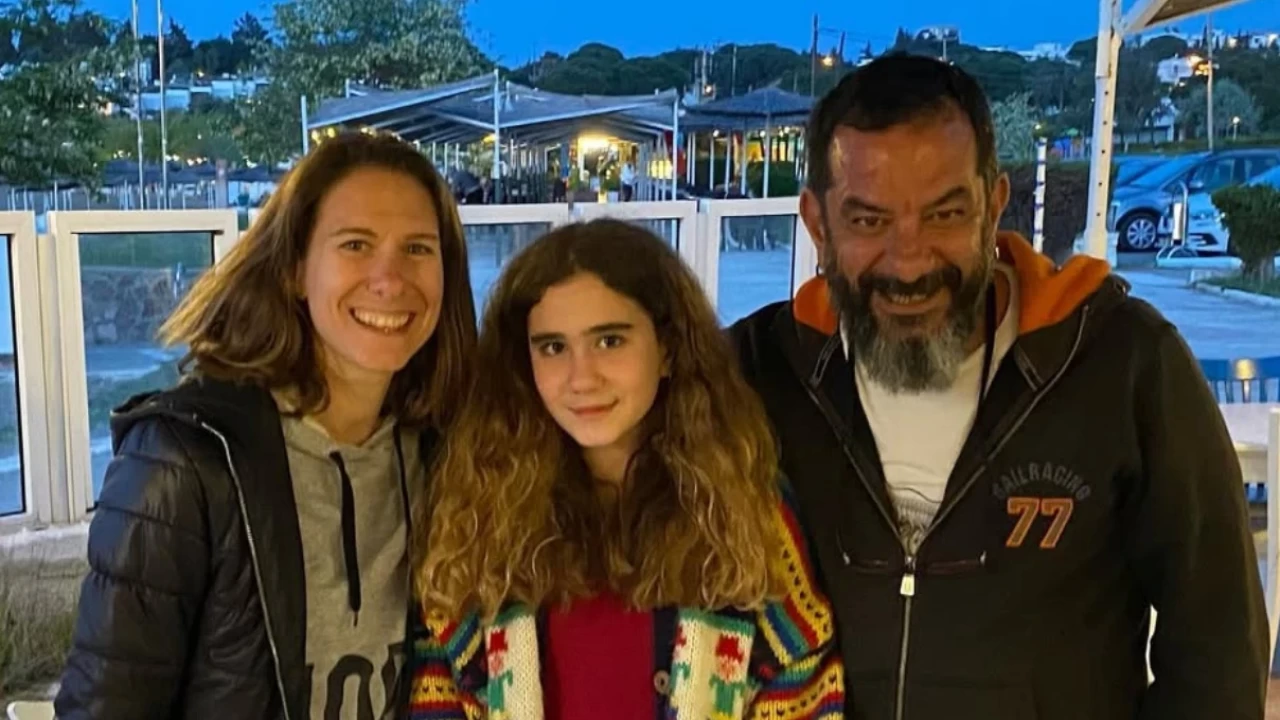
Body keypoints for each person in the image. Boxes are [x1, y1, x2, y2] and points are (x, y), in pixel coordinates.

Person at [729, 54, 1269, 719]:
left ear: (994, 206)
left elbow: (1218, 648)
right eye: (868, 221)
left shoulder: (1124, 362)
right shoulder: (754, 372)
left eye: (945, 215)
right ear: (817, 224)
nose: (909, 262)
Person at [55, 131, 478, 720]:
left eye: (418, 248)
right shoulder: (184, 462)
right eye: (356, 244)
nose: (390, 278)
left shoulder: (445, 452)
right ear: (296, 269)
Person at [408, 219, 842, 719]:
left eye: (609, 341)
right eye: (553, 347)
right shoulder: (482, 515)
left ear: (668, 350)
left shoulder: (750, 512)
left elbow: (804, 687)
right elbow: (438, 687)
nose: (582, 378)